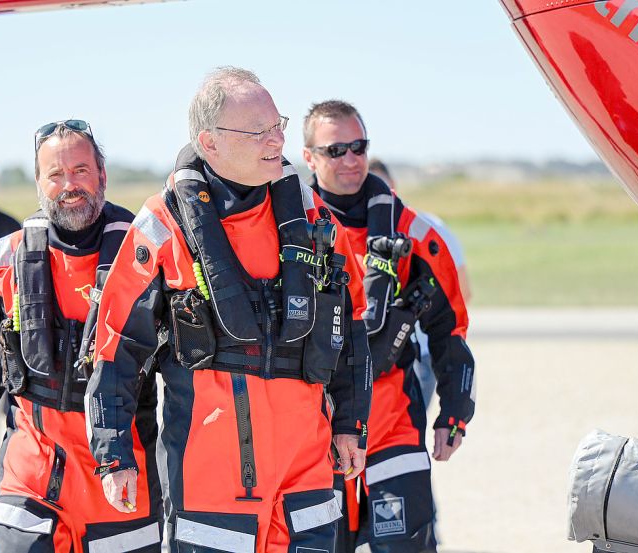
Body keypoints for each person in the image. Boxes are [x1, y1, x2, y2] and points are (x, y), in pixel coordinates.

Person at [87, 67, 373, 552]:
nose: (277, 139)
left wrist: (351, 423)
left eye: (277, 125)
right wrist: (115, 454)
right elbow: (117, 345)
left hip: (305, 476)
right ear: (210, 142)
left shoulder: (312, 219)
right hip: (211, 482)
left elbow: (349, 325)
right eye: (259, 130)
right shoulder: (164, 225)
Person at [0, 120, 162, 552]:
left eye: (81, 171)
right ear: (39, 182)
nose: (70, 185)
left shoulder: (145, 258)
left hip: (122, 473)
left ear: (102, 173)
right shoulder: (8, 259)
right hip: (30, 474)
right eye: (56, 174)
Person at [302, 100, 475, 553]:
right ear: (309, 158)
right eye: (335, 149)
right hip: (314, 431)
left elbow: (450, 327)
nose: (351, 159)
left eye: (358, 147)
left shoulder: (414, 233)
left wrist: (454, 412)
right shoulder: (289, 231)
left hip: (394, 421)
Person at [368, 158, 472, 409]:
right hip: (369, 358)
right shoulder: (356, 230)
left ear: (394, 184)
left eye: (382, 185)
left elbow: (461, 291)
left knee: (409, 435)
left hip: (419, 354)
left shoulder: (427, 228)